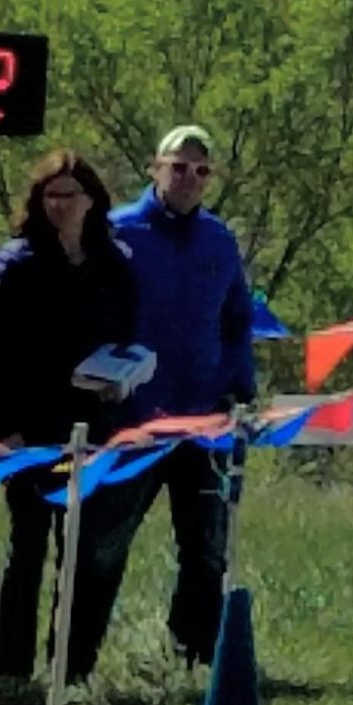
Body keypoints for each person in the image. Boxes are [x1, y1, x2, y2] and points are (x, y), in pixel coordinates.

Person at [0, 151, 140, 681]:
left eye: (70, 195)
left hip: (91, 428)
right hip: (28, 430)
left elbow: (126, 339)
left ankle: (72, 669)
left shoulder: (115, 264)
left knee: (84, 553)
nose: (60, 206)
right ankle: (10, 672)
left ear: (93, 201)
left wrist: (123, 380)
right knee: (28, 548)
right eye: (51, 196)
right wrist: (6, 428)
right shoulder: (15, 264)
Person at [103, 123, 256, 669]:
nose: (189, 178)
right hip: (132, 422)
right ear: (154, 168)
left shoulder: (219, 240)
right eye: (178, 167)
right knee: (102, 548)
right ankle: (72, 667)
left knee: (207, 553)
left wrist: (240, 388)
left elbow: (239, 319)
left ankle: (193, 663)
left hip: (205, 422)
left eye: (201, 170)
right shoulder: (117, 232)